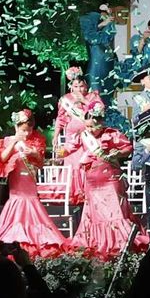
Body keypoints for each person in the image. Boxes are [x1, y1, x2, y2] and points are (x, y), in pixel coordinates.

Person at [67, 106, 147, 260]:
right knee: (95, 213)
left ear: (101, 123)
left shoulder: (112, 134)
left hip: (110, 177)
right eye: (87, 126)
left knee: (115, 210)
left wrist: (117, 153)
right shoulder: (83, 135)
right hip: (92, 179)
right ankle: (97, 241)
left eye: (93, 126)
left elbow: (128, 148)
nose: (89, 130)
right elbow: (67, 149)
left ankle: (119, 241)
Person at [0, 109, 67, 255]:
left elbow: (41, 163)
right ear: (17, 127)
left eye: (29, 130)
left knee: (32, 203)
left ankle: (36, 238)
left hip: (29, 181)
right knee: (17, 204)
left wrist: (34, 153)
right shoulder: (9, 140)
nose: (27, 133)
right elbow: (2, 158)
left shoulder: (36, 141)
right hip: (16, 185)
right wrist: (16, 140)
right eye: (23, 130)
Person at [54, 65, 106, 200]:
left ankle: (88, 189)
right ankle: (73, 193)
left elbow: (100, 111)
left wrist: (84, 101)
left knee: (87, 162)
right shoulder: (66, 99)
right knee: (73, 164)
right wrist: (55, 136)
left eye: (82, 86)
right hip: (72, 137)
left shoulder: (93, 97)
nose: (79, 89)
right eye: (76, 86)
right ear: (71, 86)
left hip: (89, 135)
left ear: (86, 85)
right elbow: (60, 119)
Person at [79, 1, 118, 91]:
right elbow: (92, 37)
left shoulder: (105, 21)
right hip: (98, 64)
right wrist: (104, 23)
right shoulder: (91, 17)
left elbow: (108, 36)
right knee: (97, 95)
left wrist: (106, 22)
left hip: (107, 64)